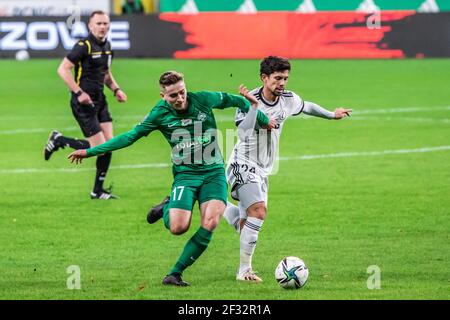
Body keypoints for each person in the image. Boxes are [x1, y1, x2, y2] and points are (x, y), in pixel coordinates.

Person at [67, 71, 274, 286]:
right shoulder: (159, 113)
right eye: (173, 95)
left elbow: (238, 100)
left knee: (211, 221)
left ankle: (174, 274)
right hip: (185, 176)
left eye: (182, 92)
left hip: (213, 174)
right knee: (178, 227)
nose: (180, 98)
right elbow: (130, 137)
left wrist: (264, 119)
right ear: (163, 96)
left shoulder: (203, 99)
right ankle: (166, 207)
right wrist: (90, 152)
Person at [223, 56, 353, 283]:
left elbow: (307, 106)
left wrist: (332, 114)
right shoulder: (248, 100)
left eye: (285, 78)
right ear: (264, 78)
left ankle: (211, 203)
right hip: (242, 163)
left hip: (263, 169)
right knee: (259, 211)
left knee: (246, 224)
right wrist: (257, 112)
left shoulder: (288, 99)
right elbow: (242, 131)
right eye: (277, 78)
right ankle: (244, 271)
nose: (282, 83)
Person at [44, 10, 127, 199]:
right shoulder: (84, 46)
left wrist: (116, 89)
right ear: (90, 25)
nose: (102, 27)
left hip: (100, 100)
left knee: (109, 146)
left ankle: (97, 191)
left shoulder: (107, 46)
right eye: (98, 23)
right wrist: (79, 92)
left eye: (105, 23)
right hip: (83, 103)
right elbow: (63, 69)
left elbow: (105, 73)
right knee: (99, 147)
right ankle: (59, 140)